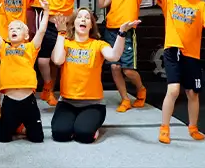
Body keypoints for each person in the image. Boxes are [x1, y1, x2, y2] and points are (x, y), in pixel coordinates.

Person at [146, 0, 205, 144]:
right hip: (173, 50)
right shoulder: (169, 0)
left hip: (192, 55)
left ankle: (193, 128)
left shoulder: (201, 5)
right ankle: (164, 128)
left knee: (193, 93)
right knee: (174, 89)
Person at [51, 8, 139, 143]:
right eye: (79, 17)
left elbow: (114, 56)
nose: (83, 19)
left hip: (92, 104)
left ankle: (90, 125)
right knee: (60, 135)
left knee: (84, 136)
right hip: (67, 102)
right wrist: (61, 33)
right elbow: (57, 60)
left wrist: (122, 33)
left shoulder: (98, 44)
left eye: (87, 18)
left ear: (91, 25)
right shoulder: (66, 43)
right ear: (73, 23)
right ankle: (75, 122)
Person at [99, 0, 154, 112]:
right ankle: (125, 99)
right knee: (115, 66)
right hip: (111, 29)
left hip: (127, 30)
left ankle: (141, 90)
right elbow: (102, 4)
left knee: (128, 70)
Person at [0, 0, 49, 143]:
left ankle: (22, 126)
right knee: (3, 139)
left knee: (37, 139)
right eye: (10, 29)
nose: (13, 30)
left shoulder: (30, 47)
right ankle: (18, 125)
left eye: (18, 28)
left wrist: (46, 11)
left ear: (26, 35)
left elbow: (41, 31)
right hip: (10, 101)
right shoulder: (4, 48)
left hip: (28, 100)